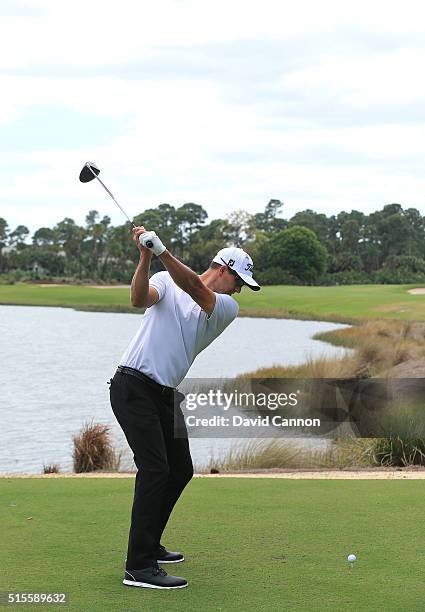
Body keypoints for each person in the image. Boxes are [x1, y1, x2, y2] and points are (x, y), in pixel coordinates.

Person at [109, 225, 260, 590]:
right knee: (156, 470)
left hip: (163, 392)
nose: (240, 289)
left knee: (180, 470)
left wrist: (160, 249)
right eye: (238, 280)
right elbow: (138, 298)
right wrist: (146, 258)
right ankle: (138, 567)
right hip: (133, 385)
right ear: (223, 268)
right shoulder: (165, 279)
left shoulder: (226, 306)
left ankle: (150, 545)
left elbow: (195, 288)